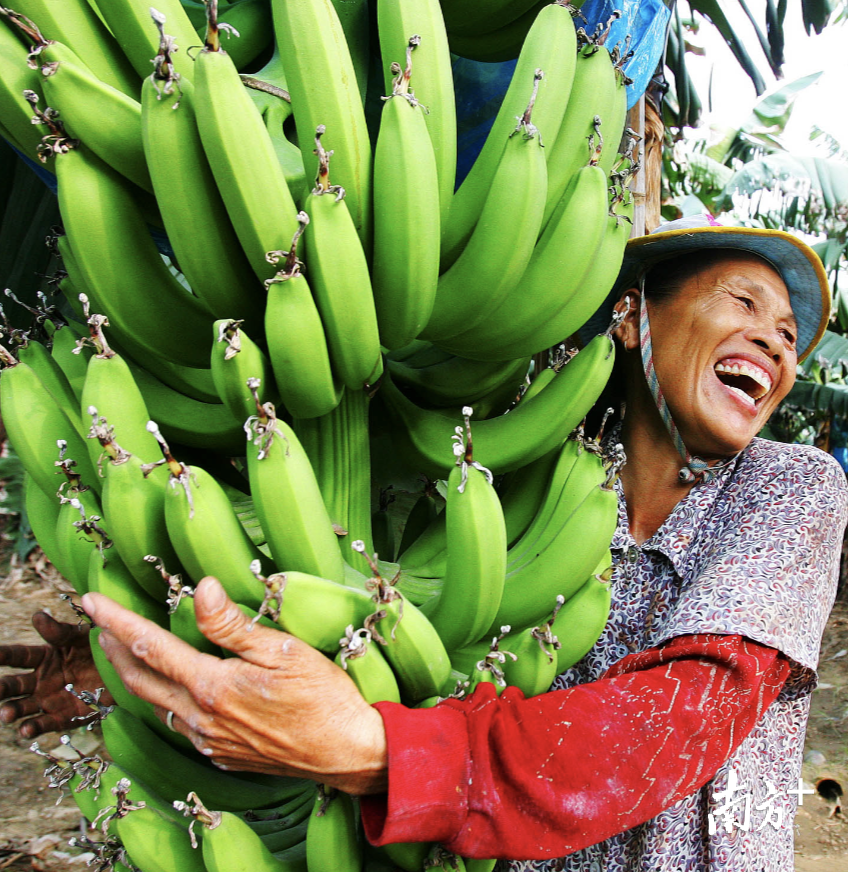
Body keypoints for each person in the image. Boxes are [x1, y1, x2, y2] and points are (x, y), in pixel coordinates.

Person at [1, 215, 846, 871]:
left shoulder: (793, 488)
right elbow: (387, 638)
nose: (777, 343)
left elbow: (679, 718)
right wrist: (148, 661)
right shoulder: (520, 484)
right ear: (630, 317)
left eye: (788, 337)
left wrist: (373, 752)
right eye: (745, 303)